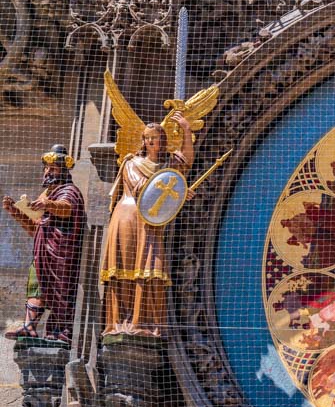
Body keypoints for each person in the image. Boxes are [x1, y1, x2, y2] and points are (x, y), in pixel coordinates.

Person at [100, 112, 193, 337]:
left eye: (155, 137)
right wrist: (178, 193)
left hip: (150, 223)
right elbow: (145, 189)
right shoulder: (132, 163)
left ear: (163, 140)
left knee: (152, 269)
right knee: (124, 269)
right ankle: (120, 322)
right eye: (147, 137)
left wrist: (187, 131)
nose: (150, 141)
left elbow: (187, 161)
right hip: (128, 218)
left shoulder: (169, 163)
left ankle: (146, 323)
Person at [2, 144, 86, 343]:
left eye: (53, 168)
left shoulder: (69, 191)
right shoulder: (46, 194)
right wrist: (15, 212)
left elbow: (67, 209)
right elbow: (35, 229)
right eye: (46, 168)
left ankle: (61, 333)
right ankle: (29, 327)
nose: (48, 172)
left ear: (64, 171)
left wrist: (48, 204)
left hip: (61, 256)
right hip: (42, 253)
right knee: (35, 285)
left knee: (60, 292)